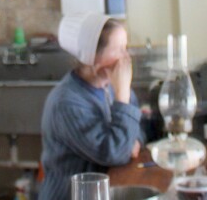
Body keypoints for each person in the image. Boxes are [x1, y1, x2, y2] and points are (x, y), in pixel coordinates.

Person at [38, 13, 143, 199]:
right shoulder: (66, 103)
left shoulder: (111, 86)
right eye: (119, 50)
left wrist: (133, 142)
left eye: (125, 48)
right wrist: (123, 96)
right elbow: (114, 153)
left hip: (101, 190)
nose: (126, 57)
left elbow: (139, 126)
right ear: (93, 56)